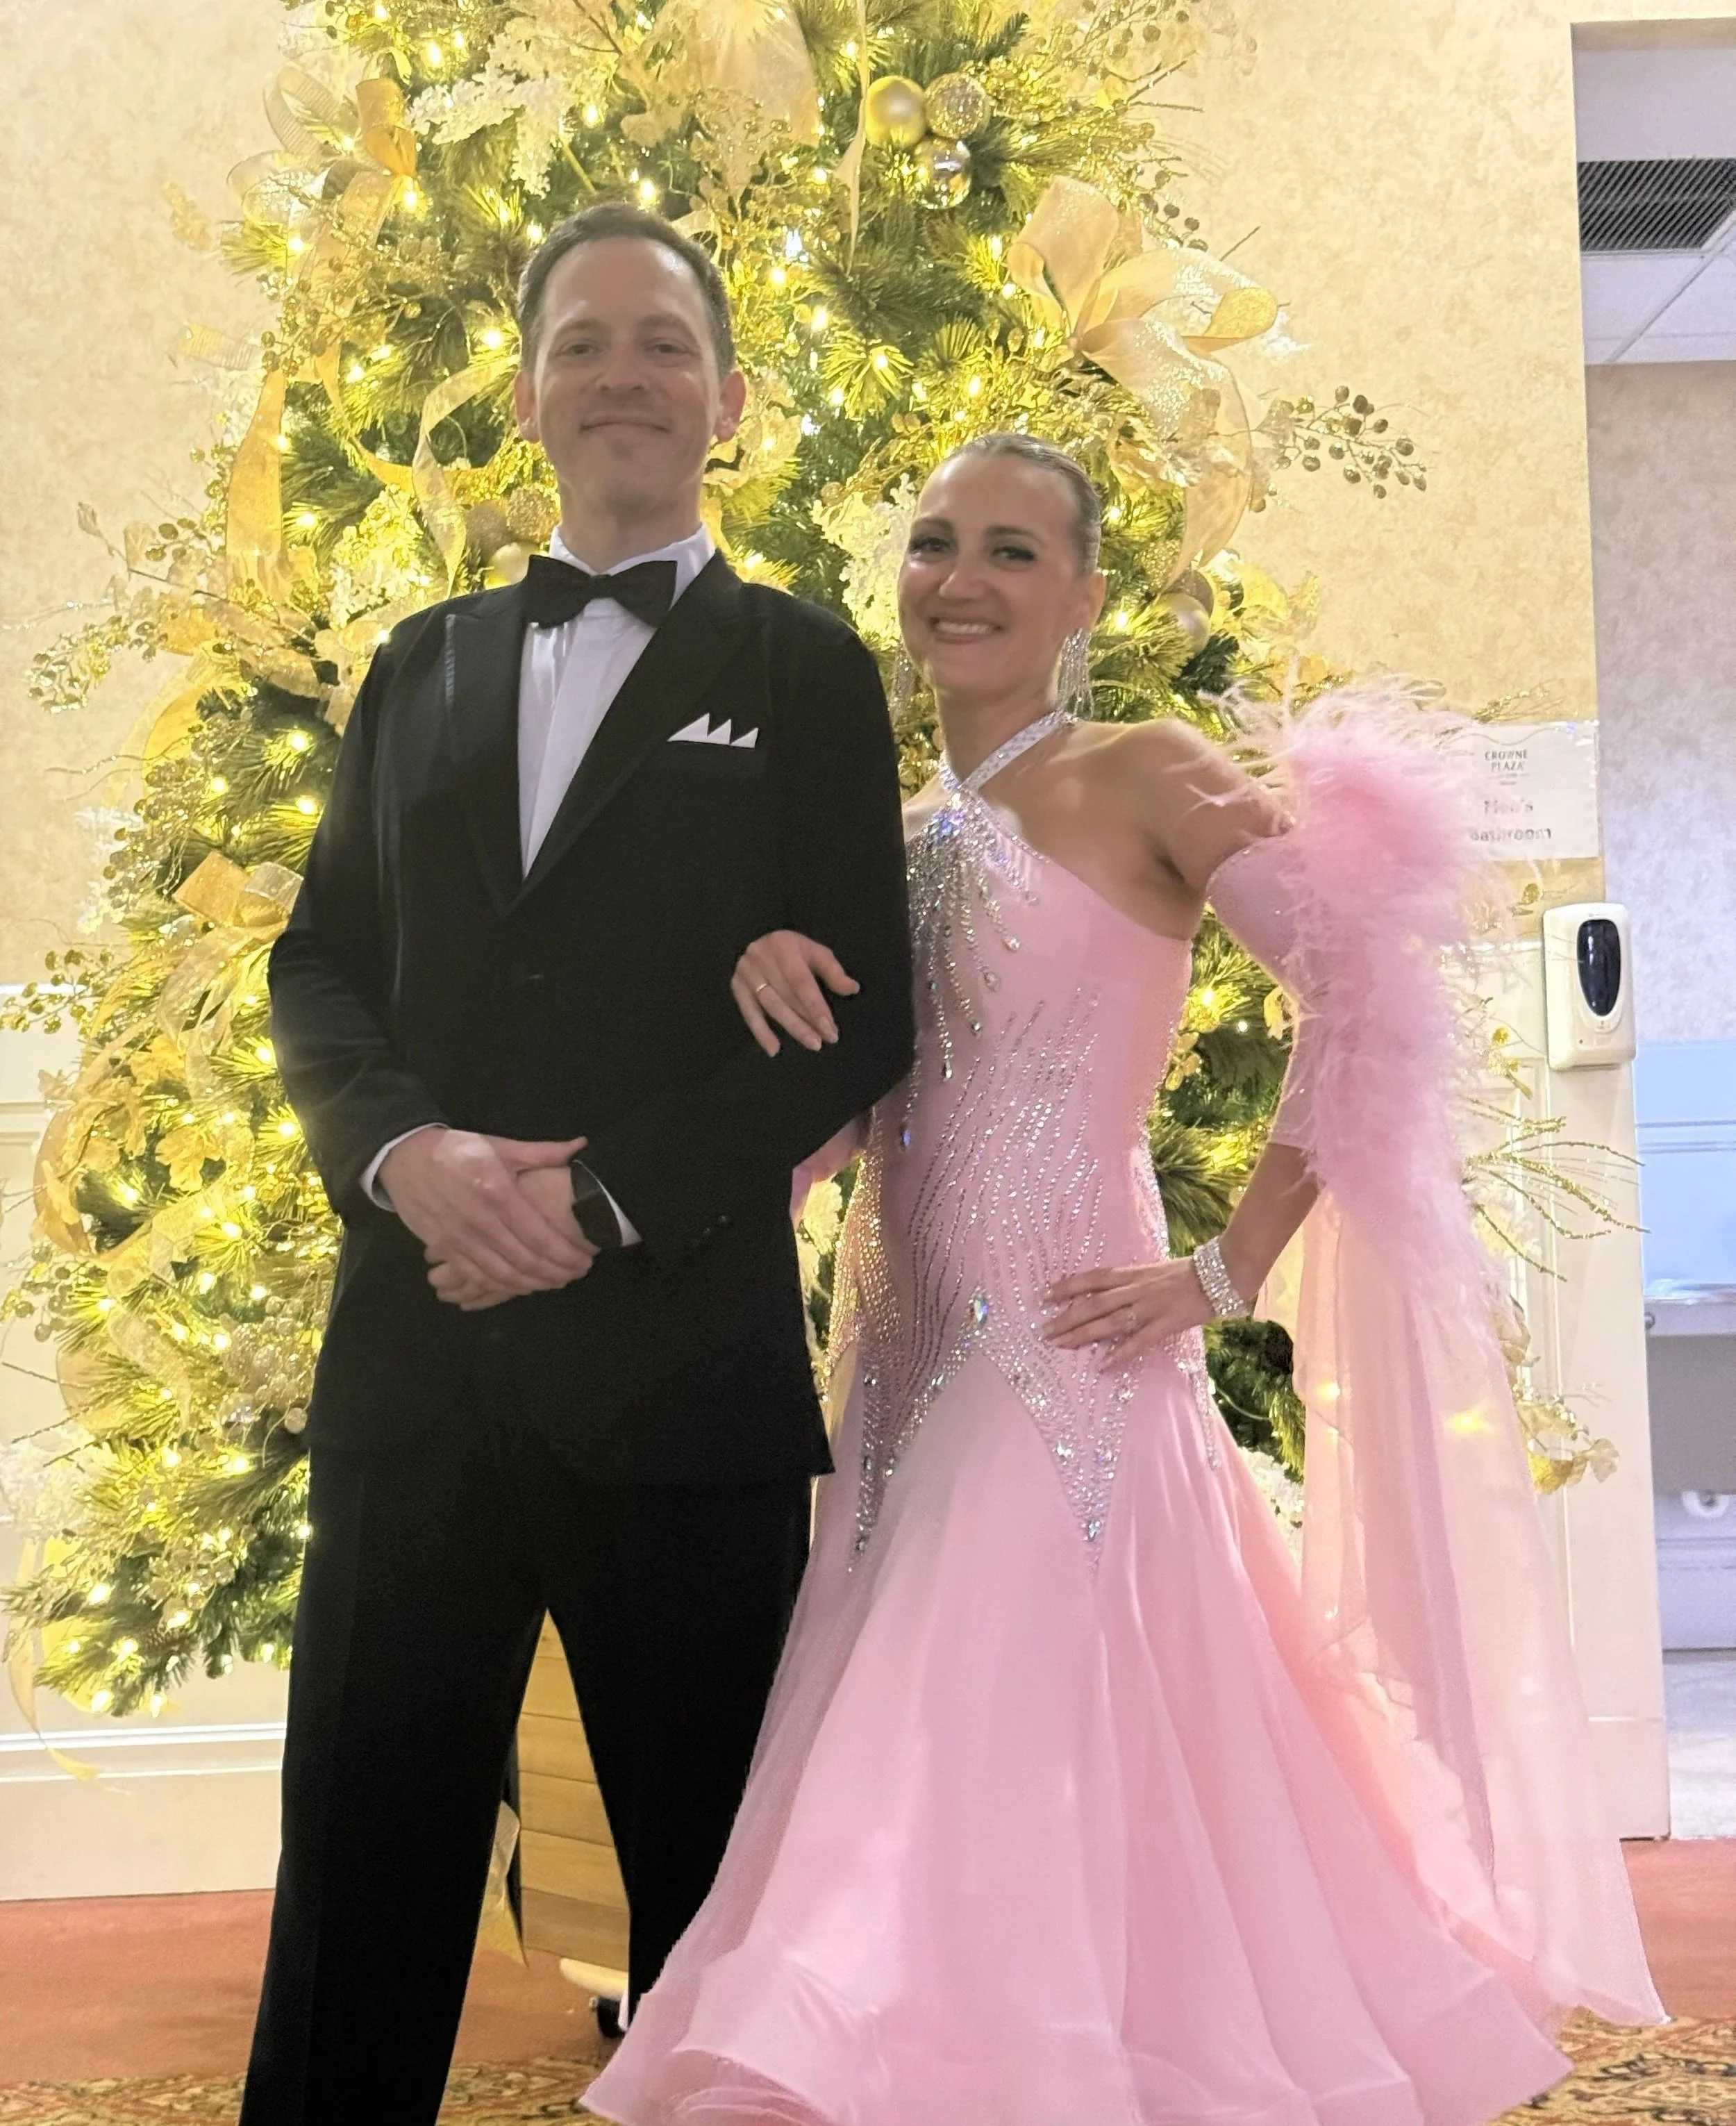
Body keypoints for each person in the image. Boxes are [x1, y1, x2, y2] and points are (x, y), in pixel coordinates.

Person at [585, 434, 1663, 2126]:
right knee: (947, 1711)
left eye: (1012, 550)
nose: (961, 579)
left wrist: (1224, 1271)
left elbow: (1360, 996)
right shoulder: (878, 821)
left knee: (959, 1705)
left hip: (1069, 1343)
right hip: (895, 1331)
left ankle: (952, 2061)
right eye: (935, 543)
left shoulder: (1142, 770)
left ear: (1083, 592)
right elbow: (861, 1102)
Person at [240, 204, 915, 2125]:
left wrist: (597, 1195)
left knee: (718, 1898)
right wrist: (405, 1160)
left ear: (721, 398)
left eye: (662, 341)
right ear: (528, 392)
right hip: (412, 1371)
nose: (623, 370)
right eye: (583, 340)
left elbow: (862, 1015)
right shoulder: (417, 664)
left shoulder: (802, 672)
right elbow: (318, 974)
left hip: (675, 1384)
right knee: (359, 1879)